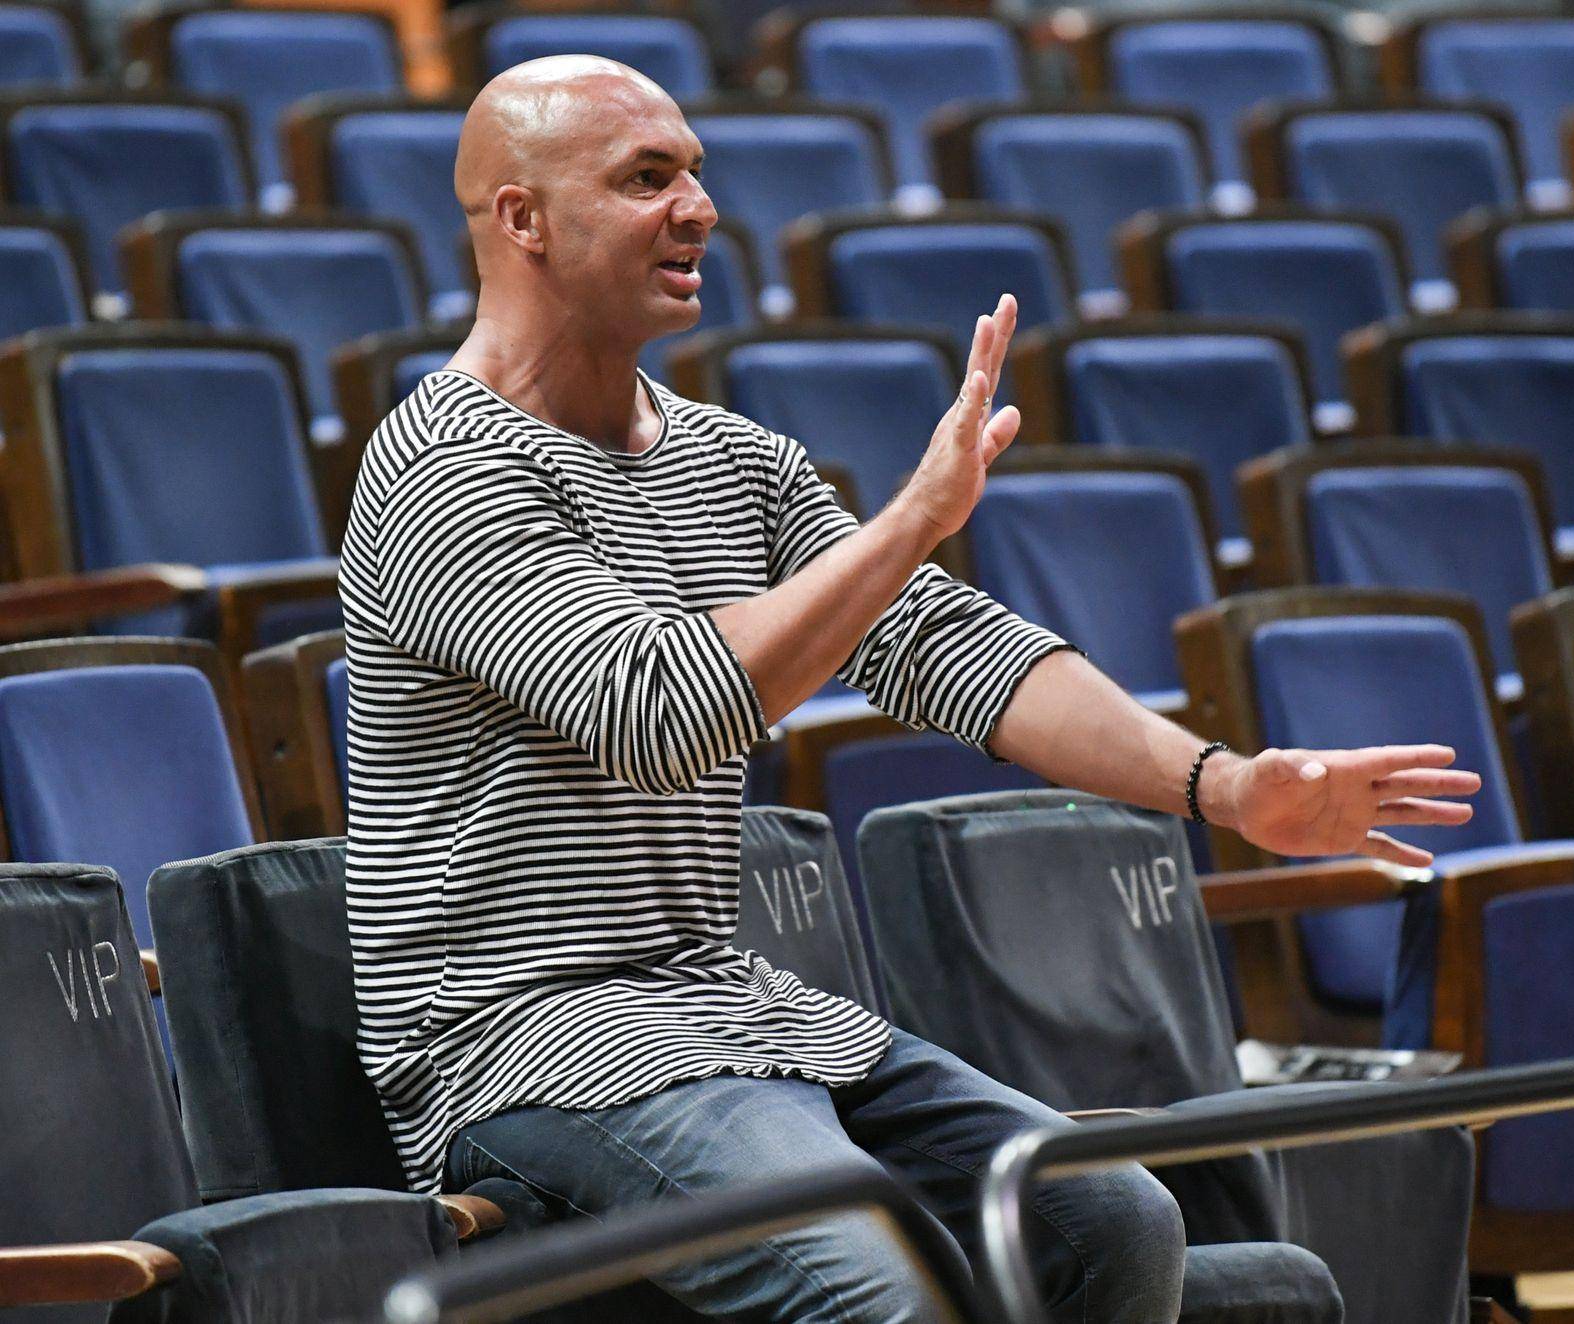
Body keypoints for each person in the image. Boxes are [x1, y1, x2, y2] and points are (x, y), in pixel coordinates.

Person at [339, 54, 1482, 1322]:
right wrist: (908, 523)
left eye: (696, 175)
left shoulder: (731, 456)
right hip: (523, 1042)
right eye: (646, 178)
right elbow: (657, 709)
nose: (699, 209)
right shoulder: (441, 465)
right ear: (523, 218)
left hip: (732, 1005)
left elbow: (946, 646)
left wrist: (1225, 787)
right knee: (876, 1286)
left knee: (1111, 1216)